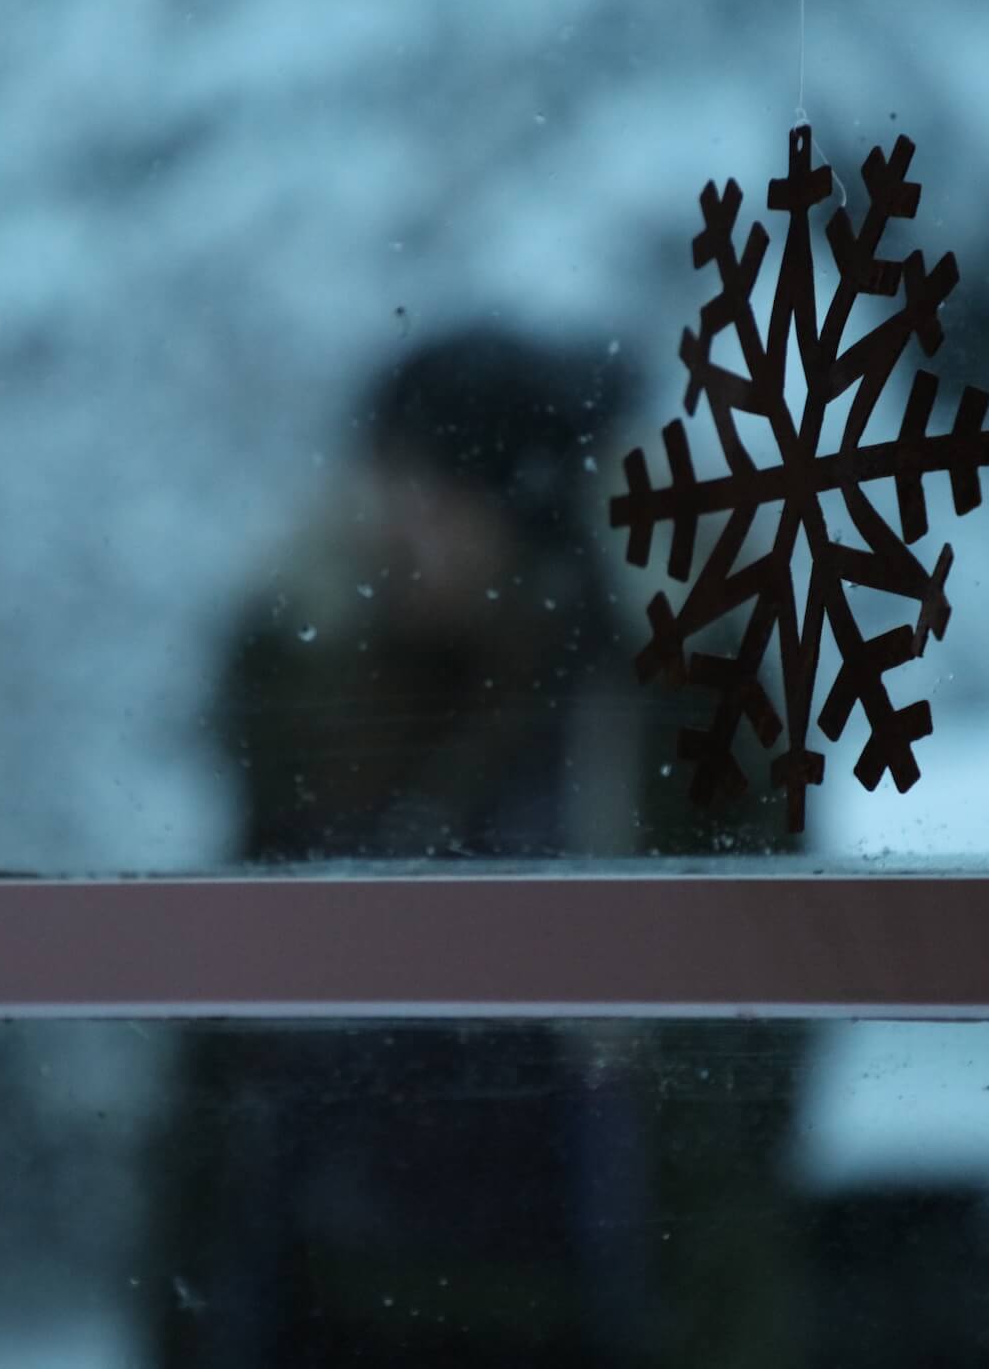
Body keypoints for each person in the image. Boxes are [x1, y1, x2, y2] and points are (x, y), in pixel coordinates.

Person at [148, 330, 809, 1368]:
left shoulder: (655, 718)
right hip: (318, 1302)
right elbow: (220, 1033)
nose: (395, 525)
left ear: (524, 508)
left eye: (437, 490)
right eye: (386, 482)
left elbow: (755, 1023)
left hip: (587, 1304)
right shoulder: (318, 702)